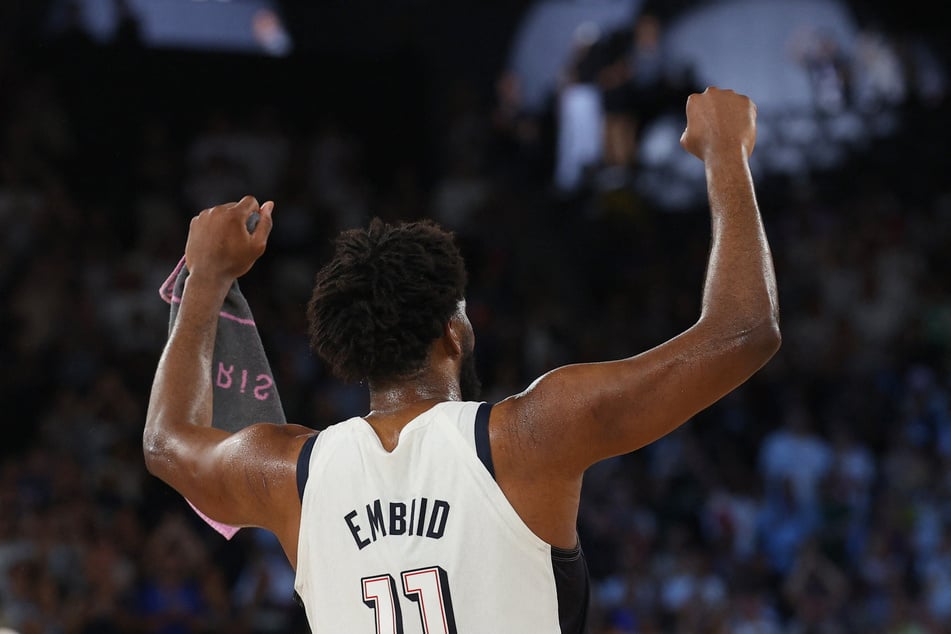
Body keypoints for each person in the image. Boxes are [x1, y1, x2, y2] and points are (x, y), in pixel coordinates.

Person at [143, 86, 780, 632]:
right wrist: (727, 152)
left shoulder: (291, 477)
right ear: (452, 334)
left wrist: (205, 278)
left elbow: (166, 443)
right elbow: (744, 331)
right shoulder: (528, 437)